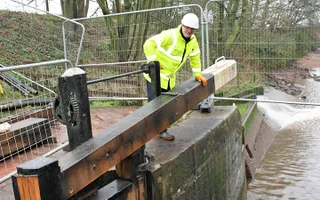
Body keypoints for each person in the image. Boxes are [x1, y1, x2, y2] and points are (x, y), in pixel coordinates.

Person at [143, 13, 207, 141]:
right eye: (187, 27)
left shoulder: (192, 42)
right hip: (155, 77)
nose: (189, 30)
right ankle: (159, 131)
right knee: (155, 105)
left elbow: (195, 57)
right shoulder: (170, 35)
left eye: (192, 29)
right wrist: (154, 63)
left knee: (165, 105)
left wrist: (197, 74)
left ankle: (159, 129)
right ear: (182, 25)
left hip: (168, 79)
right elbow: (148, 44)